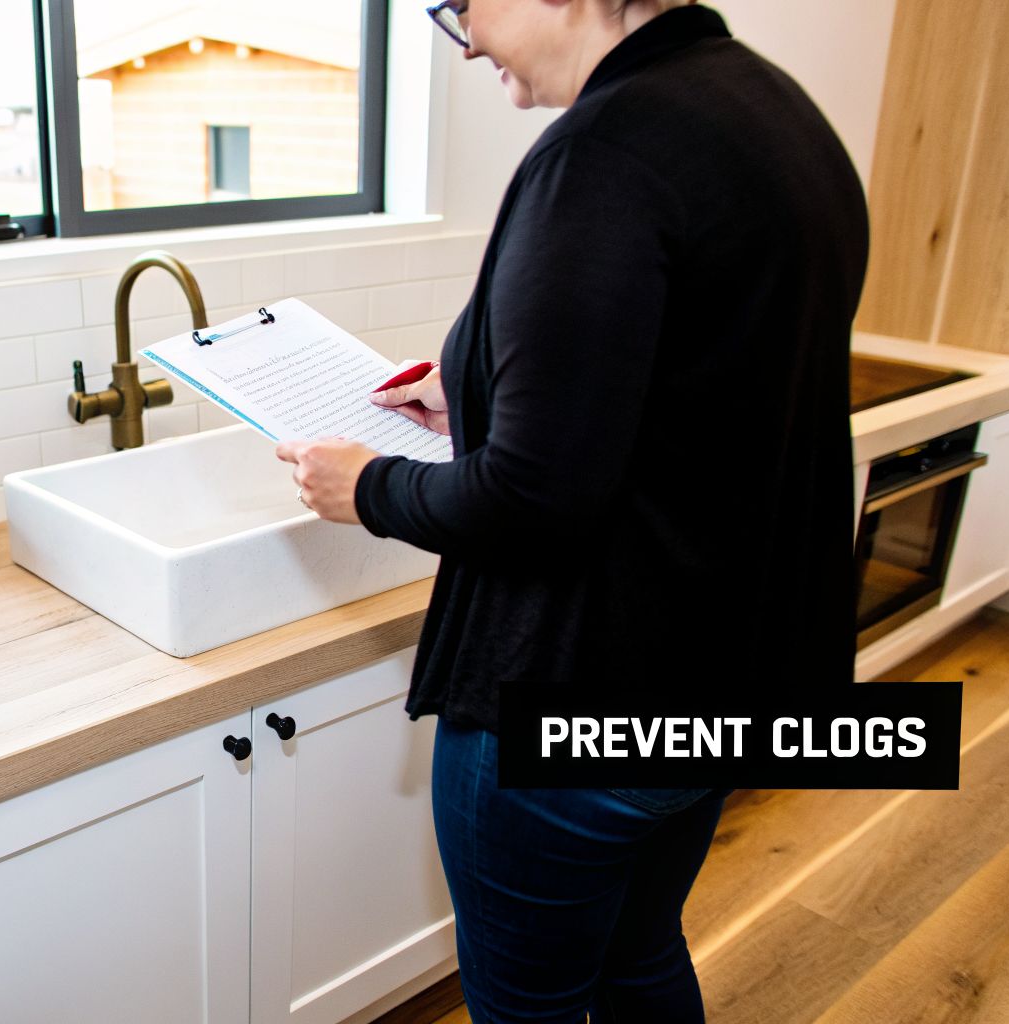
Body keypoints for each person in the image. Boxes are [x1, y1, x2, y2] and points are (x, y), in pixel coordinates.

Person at [273, 1, 869, 1020]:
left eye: (461, 9)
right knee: (636, 954)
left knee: (527, 1005)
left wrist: (364, 487)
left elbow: (532, 501)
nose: (462, 44)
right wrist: (480, 388)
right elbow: (699, 380)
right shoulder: (769, 111)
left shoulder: (599, 151)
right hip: (724, 672)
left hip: (587, 690)